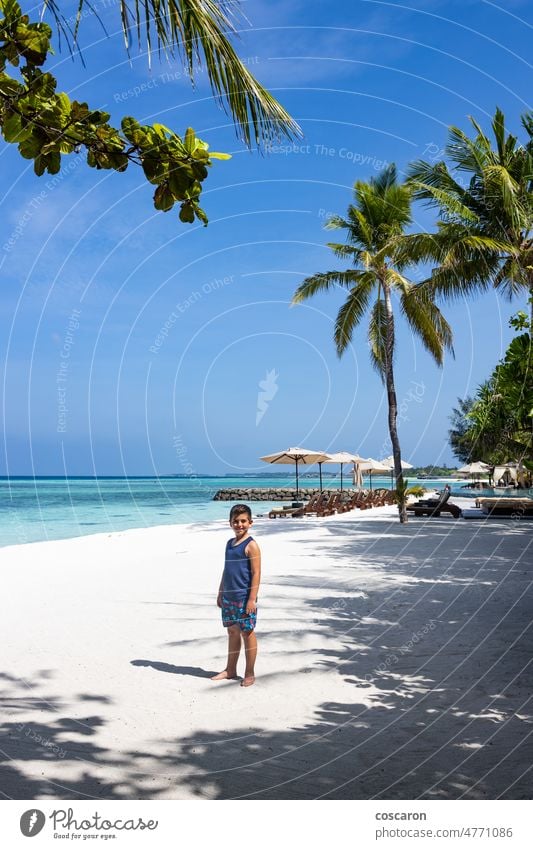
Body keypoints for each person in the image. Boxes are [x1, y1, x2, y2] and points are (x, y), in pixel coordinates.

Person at [211, 504, 261, 687]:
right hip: (229, 597)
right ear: (230, 523)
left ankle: (249, 672)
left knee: (247, 633)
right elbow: (227, 570)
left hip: (244, 598)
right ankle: (230, 669)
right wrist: (220, 591)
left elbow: (256, 573)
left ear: (250, 523)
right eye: (236, 521)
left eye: (243, 521)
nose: (239, 525)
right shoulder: (229, 544)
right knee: (232, 632)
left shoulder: (251, 545)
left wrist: (251, 599)